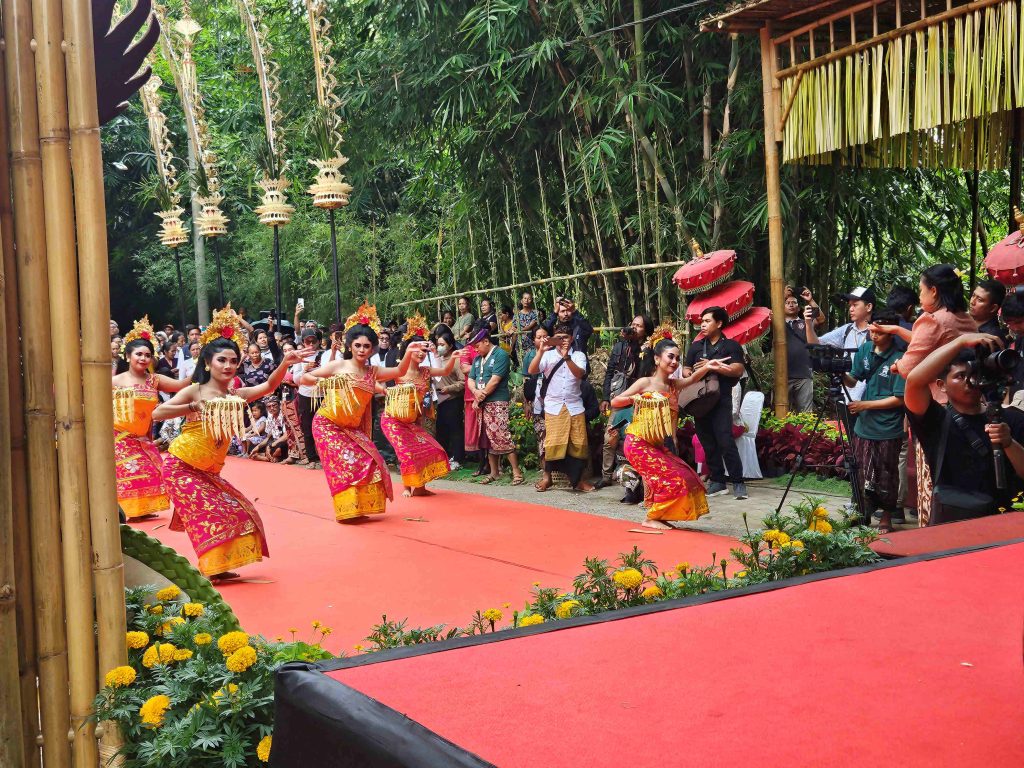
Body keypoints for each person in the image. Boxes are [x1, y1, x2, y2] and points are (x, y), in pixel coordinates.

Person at [154, 309, 303, 580]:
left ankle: (219, 566)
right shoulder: (195, 390)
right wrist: (190, 406)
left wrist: (286, 362)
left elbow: (269, 385)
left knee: (239, 510)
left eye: (233, 361)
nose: (228, 365)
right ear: (208, 363)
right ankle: (212, 568)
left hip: (209, 471)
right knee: (208, 514)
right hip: (181, 466)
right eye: (221, 360)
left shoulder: (236, 394)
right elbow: (157, 414)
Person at [300, 303, 425, 521]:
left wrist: (411, 352)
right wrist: (327, 383)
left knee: (373, 461)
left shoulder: (372, 371)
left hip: (351, 427)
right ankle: (346, 511)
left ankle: (358, 506)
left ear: (373, 348)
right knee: (348, 463)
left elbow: (399, 371)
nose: (361, 350)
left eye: (367, 346)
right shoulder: (339, 366)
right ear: (350, 345)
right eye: (357, 345)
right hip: (327, 424)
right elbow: (305, 378)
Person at [874, 265, 977, 524]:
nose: (919, 297)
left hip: (938, 408)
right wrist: (897, 331)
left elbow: (910, 367)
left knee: (932, 475)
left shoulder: (932, 319)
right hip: (970, 405)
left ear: (933, 290)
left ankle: (930, 531)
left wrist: (897, 366)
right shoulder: (964, 317)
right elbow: (936, 342)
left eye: (921, 290)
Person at [904, 333, 1024, 523]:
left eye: (975, 375)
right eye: (960, 376)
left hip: (1006, 519)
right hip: (954, 518)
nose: (970, 382)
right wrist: (960, 341)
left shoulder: (1011, 418)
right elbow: (914, 381)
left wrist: (1008, 443)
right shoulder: (936, 420)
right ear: (941, 385)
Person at [611, 333, 709, 529]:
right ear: (657, 359)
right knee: (672, 478)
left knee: (688, 476)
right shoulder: (645, 383)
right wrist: (638, 397)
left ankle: (660, 515)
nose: (674, 362)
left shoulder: (673, 386)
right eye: (670, 357)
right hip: (638, 443)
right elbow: (615, 401)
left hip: (657, 444)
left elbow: (692, 380)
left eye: (677, 359)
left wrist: (709, 366)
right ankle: (652, 517)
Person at [111, 318, 190, 520]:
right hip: (119, 437)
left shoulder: (154, 380)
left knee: (152, 470)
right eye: (139, 354)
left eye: (147, 355)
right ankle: (128, 510)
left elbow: (181, 385)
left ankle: (140, 510)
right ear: (128, 356)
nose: (143, 358)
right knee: (133, 470)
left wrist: (205, 365)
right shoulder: (113, 382)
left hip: (142, 437)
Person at [842, 311, 906, 533]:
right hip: (864, 425)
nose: (874, 333)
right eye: (872, 328)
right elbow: (852, 381)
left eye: (879, 329)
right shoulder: (865, 350)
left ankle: (886, 516)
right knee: (860, 470)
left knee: (887, 472)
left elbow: (899, 399)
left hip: (888, 426)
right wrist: (839, 371)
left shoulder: (900, 358)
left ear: (891, 332)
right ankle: (862, 513)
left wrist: (865, 405)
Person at [380, 315, 459, 496]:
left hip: (415, 419)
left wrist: (453, 357)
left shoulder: (425, 371)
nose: (421, 353)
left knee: (428, 449)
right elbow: (381, 379)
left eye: (424, 350)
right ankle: (407, 488)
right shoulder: (399, 370)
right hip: (394, 420)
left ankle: (421, 487)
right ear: (408, 350)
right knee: (406, 452)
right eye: (417, 349)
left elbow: (445, 371)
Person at [683, 307, 748, 500]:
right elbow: (686, 370)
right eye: (701, 321)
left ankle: (738, 482)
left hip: (721, 399)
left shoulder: (731, 346)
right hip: (700, 399)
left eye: (707, 321)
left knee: (725, 439)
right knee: (707, 441)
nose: (702, 324)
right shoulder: (695, 346)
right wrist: (694, 371)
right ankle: (718, 481)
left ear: (719, 323)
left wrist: (715, 366)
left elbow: (737, 370)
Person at [529, 322, 595, 492]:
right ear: (553, 339)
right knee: (552, 444)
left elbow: (580, 373)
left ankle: (579, 481)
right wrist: (541, 351)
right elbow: (532, 370)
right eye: (558, 338)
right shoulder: (547, 355)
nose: (562, 340)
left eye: (565, 337)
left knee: (578, 444)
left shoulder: (579, 355)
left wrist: (567, 357)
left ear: (571, 338)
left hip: (574, 406)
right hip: (554, 406)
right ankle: (547, 478)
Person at [598, 314, 654, 488]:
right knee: (610, 436)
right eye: (633, 325)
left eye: (639, 326)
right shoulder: (620, 346)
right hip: (619, 400)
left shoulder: (648, 349)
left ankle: (637, 476)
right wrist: (606, 397)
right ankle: (606, 475)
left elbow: (644, 369)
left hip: (639, 402)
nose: (634, 328)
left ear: (646, 331)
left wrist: (637, 346)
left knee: (636, 439)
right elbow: (610, 372)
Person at [467, 324, 525, 485]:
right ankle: (494, 472)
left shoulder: (500, 355)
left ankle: (516, 472)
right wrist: (476, 393)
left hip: (497, 401)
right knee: (487, 438)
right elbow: (471, 379)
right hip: (482, 403)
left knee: (501, 434)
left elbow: (495, 380)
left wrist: (479, 396)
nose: (475, 350)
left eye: (477, 346)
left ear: (486, 341)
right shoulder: (478, 359)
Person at [804, 286, 875, 401]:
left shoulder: (878, 332)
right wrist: (808, 323)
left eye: (855, 305)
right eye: (850, 305)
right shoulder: (847, 330)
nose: (851, 309)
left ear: (869, 307)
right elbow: (815, 343)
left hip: (868, 399)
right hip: (846, 395)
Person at [433, 330, 466, 469]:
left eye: (442, 344)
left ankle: (457, 458)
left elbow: (463, 382)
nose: (439, 346)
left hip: (453, 400)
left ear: (451, 345)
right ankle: (444, 457)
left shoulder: (456, 359)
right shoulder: (436, 359)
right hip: (439, 400)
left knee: (455, 429)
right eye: (438, 344)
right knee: (441, 430)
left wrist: (449, 388)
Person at [292, 329, 323, 468]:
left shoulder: (326, 354)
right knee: (307, 427)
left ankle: (324, 456)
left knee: (323, 427)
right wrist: (305, 370)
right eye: (307, 341)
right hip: (306, 395)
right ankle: (311, 458)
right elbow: (296, 379)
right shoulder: (299, 357)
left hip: (323, 394)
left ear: (319, 341)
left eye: (313, 341)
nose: (311, 343)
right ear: (303, 342)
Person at [522, 327, 549, 465]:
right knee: (541, 432)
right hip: (536, 398)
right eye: (539, 337)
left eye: (545, 336)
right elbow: (525, 381)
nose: (542, 339)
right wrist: (526, 403)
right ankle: (544, 465)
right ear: (534, 340)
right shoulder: (530, 355)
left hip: (553, 397)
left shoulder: (555, 352)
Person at [783, 294, 814, 413]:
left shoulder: (805, 323)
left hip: (804, 373)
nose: (791, 304)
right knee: (781, 413)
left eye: (794, 302)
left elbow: (821, 319)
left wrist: (810, 300)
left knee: (806, 412)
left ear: (798, 307)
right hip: (783, 375)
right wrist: (782, 293)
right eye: (787, 302)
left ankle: (806, 432)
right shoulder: (776, 323)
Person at [514, 291, 538, 359]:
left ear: (532, 301)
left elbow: (531, 325)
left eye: (529, 299)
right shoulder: (517, 314)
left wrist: (519, 330)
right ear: (521, 300)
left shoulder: (535, 313)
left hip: (531, 344)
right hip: (519, 345)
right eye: (525, 298)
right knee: (522, 366)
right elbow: (513, 326)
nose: (526, 300)